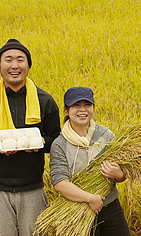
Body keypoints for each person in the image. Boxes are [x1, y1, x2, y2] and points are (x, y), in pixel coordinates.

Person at [0, 39, 61, 236]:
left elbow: (57, 141)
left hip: (33, 189)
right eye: (8, 60)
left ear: (28, 66)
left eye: (20, 59)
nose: (14, 65)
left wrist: (42, 143)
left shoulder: (45, 101)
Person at [49, 87, 130, 235]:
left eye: (87, 105)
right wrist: (89, 198)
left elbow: (122, 173)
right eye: (76, 105)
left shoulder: (106, 136)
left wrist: (119, 174)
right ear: (66, 110)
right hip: (77, 210)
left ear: (93, 108)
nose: (82, 110)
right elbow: (60, 183)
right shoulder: (60, 144)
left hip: (111, 207)